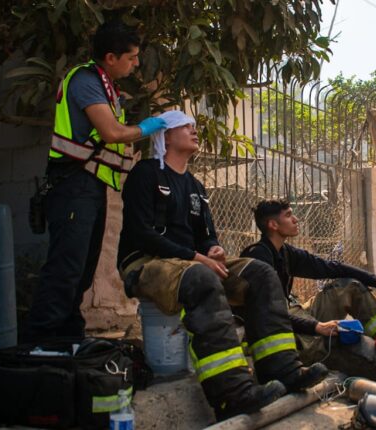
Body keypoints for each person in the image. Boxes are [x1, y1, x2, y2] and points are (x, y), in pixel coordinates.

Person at [117, 111, 328, 420]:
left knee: (260, 273)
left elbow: (206, 236)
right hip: (146, 262)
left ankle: (284, 369)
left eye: (193, 125)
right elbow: (140, 233)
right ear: (166, 136)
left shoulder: (196, 187)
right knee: (201, 277)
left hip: (190, 261)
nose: (194, 130)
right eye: (185, 126)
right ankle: (232, 394)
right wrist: (197, 257)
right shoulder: (146, 174)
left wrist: (212, 248)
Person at [23, 21, 168, 343]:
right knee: (66, 268)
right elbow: (111, 133)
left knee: (83, 270)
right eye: (131, 58)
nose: (136, 64)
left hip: (90, 186)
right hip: (72, 185)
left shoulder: (106, 88)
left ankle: (69, 340)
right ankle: (40, 345)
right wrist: (146, 128)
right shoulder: (86, 81)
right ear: (111, 57)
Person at [241, 199, 376, 379]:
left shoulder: (286, 252)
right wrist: (317, 327)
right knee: (330, 341)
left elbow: (332, 267)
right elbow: (270, 313)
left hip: (293, 315)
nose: (296, 219)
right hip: (275, 329)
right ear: (273, 224)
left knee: (349, 286)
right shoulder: (257, 257)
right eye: (288, 215)